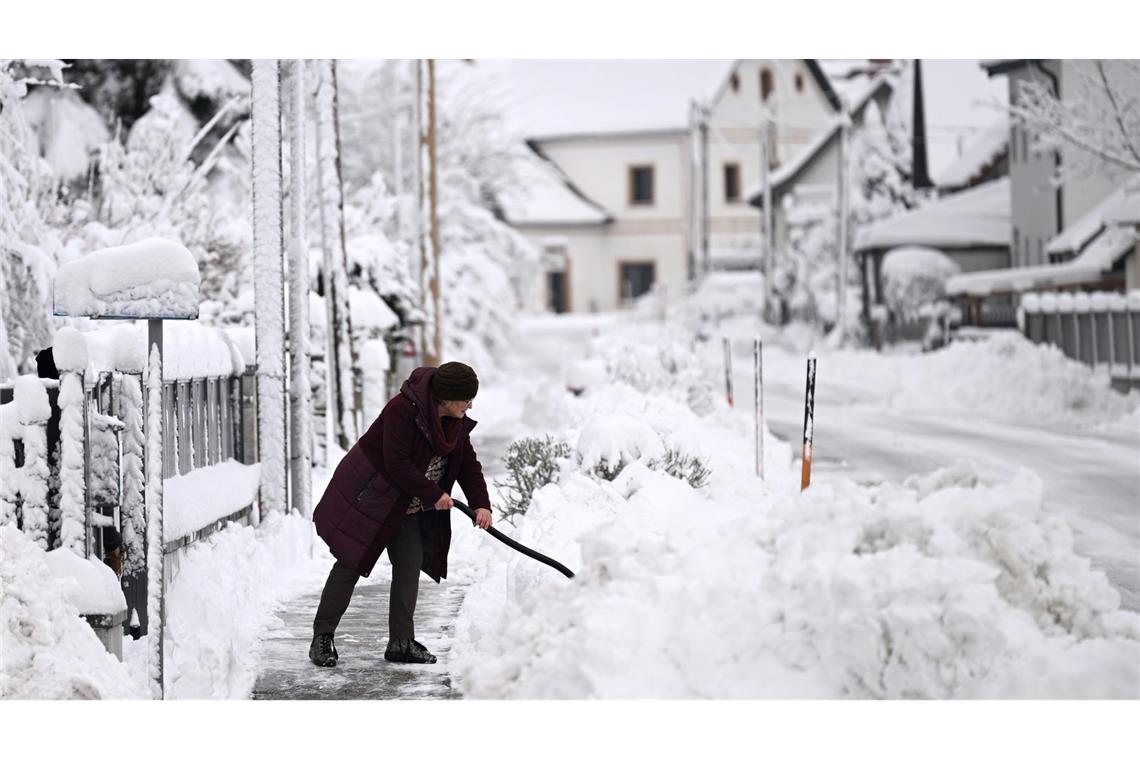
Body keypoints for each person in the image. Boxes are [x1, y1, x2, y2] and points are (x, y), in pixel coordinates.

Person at [309, 361, 492, 667]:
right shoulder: (402, 410)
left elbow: (467, 464)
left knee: (410, 562)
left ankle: (401, 642)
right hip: (373, 497)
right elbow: (397, 463)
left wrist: (481, 503)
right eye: (465, 399)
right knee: (351, 563)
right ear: (446, 398)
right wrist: (434, 494)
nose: (470, 405)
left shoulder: (454, 422)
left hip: (408, 505)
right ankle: (322, 638)